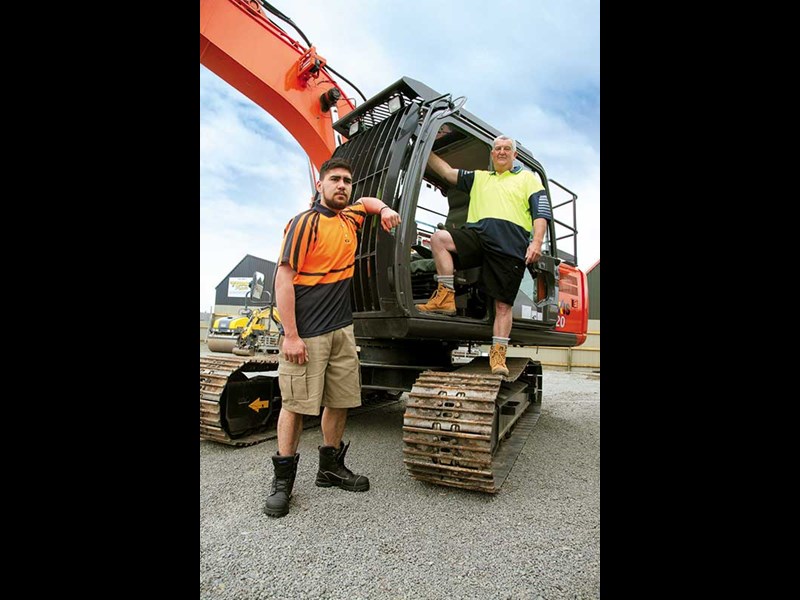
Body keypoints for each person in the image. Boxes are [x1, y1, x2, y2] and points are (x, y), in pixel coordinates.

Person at [264, 157, 401, 518]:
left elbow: (368, 204)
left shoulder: (349, 218)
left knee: (339, 399)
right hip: (307, 333)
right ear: (320, 185)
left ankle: (329, 468)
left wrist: (384, 208)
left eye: (347, 181)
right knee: (294, 404)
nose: (342, 185)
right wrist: (290, 335)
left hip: (342, 329)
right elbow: (283, 278)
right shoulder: (303, 223)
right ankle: (283, 485)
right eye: (334, 179)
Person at [420, 135, 552, 377]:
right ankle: (445, 296)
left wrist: (536, 242)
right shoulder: (480, 178)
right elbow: (448, 173)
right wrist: (423, 146)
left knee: (503, 305)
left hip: (510, 247)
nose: (501, 152)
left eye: (506, 149)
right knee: (439, 238)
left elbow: (541, 213)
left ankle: (498, 354)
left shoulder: (527, 180)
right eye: (497, 149)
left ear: (515, 155)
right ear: (492, 155)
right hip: (479, 236)